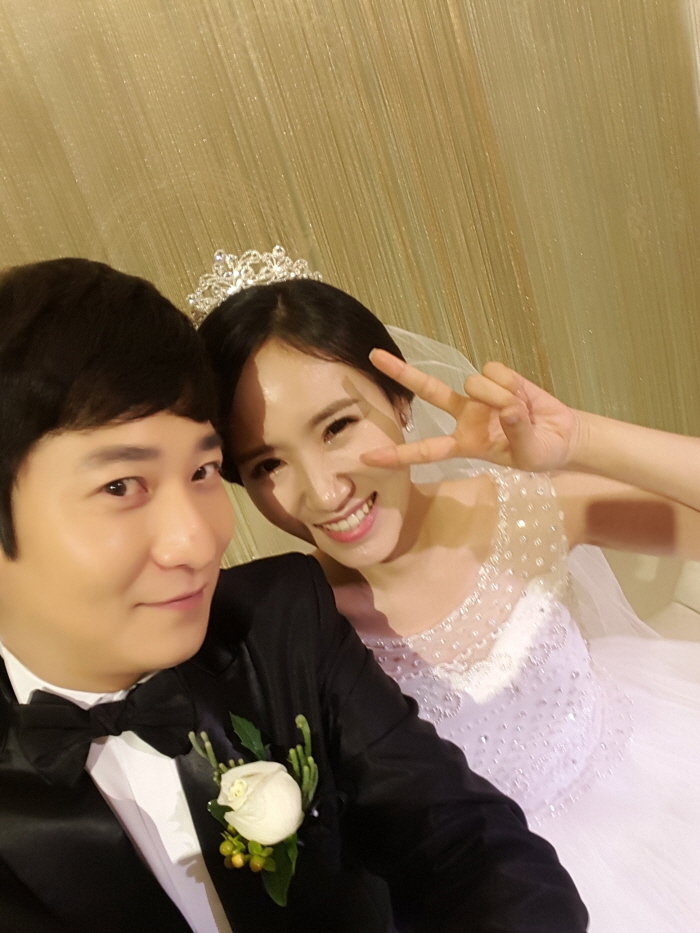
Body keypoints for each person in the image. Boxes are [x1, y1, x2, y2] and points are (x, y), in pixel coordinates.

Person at [0, 257, 588, 933]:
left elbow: (470, 848)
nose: (199, 541)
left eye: (203, 470)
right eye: (120, 486)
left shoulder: (278, 619)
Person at [194, 247, 700, 933]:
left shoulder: (520, 507)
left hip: (663, 797)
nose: (322, 491)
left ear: (401, 401)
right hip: (487, 901)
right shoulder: (299, 628)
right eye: (267, 464)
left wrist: (582, 438)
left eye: (337, 426)